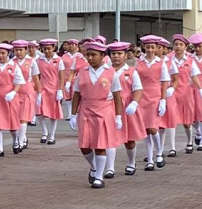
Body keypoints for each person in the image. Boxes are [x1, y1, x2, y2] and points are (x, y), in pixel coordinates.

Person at [70, 41, 124, 189]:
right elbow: (77, 94)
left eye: (93, 55)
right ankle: (94, 166)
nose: (90, 58)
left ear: (102, 56)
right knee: (84, 145)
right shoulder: (83, 72)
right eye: (88, 55)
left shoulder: (111, 72)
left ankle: (99, 177)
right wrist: (73, 114)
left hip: (104, 110)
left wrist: (118, 116)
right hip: (86, 110)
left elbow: (117, 95)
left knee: (100, 145)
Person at [106, 43, 145, 177]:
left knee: (129, 139)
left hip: (126, 106)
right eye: (113, 54)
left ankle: (131, 162)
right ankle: (110, 168)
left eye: (119, 53)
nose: (116, 56)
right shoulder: (106, 71)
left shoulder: (132, 71)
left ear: (125, 55)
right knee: (109, 136)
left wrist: (134, 103)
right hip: (109, 106)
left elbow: (138, 89)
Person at [135, 36, 173, 171]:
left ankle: (159, 153)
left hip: (155, 96)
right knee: (145, 129)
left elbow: (165, 82)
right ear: (144, 47)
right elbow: (135, 80)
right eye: (148, 47)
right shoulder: (138, 62)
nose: (150, 50)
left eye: (152, 47)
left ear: (157, 48)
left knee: (153, 128)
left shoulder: (161, 63)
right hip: (142, 96)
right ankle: (150, 159)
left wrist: (163, 100)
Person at [0, 42, 24, 158]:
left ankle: (15, 140)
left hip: (10, 97)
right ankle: (0, 149)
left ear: (8, 54)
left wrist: (13, 92)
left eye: (3, 53)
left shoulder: (14, 66)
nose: (1, 56)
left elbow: (18, 82)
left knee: (12, 124)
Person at [34, 38, 65, 145]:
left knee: (53, 113)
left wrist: (60, 90)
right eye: (44, 49)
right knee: (39, 111)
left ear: (53, 48)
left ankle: (52, 135)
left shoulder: (59, 60)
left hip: (54, 88)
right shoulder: (38, 60)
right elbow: (36, 76)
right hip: (42, 87)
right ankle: (44, 132)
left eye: (49, 48)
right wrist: (37, 90)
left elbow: (61, 77)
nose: (47, 51)